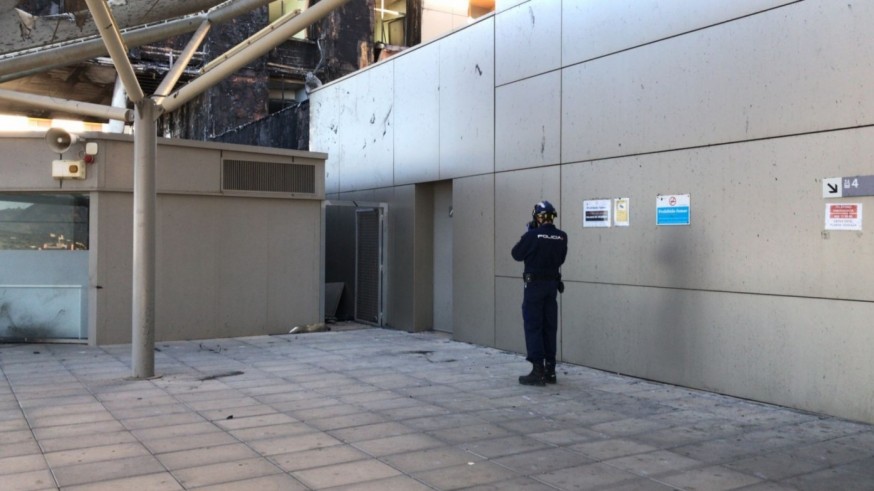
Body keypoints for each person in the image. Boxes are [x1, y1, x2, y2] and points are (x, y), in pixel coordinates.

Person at [511, 200, 568, 386]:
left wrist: (528, 235)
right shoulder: (562, 236)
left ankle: (538, 371)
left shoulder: (532, 236)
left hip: (534, 287)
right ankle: (551, 370)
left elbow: (516, 254)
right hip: (552, 287)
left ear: (537, 217)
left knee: (534, 326)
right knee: (549, 327)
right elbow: (561, 259)